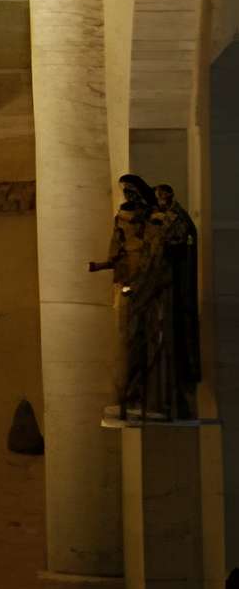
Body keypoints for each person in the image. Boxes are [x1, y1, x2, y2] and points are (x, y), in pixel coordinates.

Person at [90, 175, 156, 413]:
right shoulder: (122, 218)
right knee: (125, 341)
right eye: (125, 191)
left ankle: (144, 393)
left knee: (143, 338)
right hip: (126, 283)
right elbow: (116, 249)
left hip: (146, 283)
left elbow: (154, 250)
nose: (127, 195)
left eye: (131, 191)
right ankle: (127, 394)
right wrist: (103, 265)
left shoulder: (151, 220)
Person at [144, 183, 202, 419]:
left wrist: (161, 224)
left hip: (174, 284)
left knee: (174, 336)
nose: (159, 200)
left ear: (169, 196)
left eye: (162, 196)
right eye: (157, 197)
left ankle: (176, 399)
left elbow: (178, 239)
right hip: (160, 283)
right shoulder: (159, 216)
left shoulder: (177, 217)